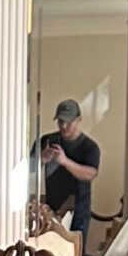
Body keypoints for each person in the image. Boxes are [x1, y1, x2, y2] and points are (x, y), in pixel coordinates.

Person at [34, 97, 101, 241]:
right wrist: (41, 160)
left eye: (69, 122)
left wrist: (64, 161)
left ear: (79, 120)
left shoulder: (90, 147)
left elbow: (90, 174)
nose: (64, 126)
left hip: (79, 210)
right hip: (49, 209)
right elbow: (27, 171)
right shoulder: (46, 141)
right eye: (60, 121)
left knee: (74, 253)